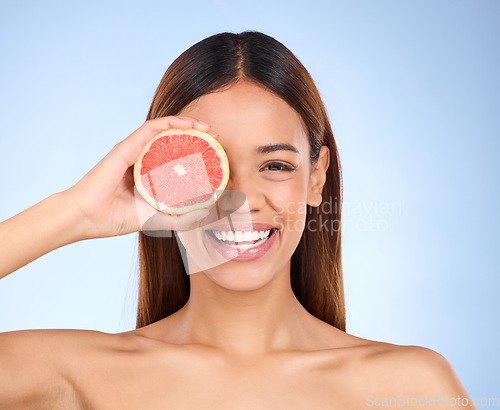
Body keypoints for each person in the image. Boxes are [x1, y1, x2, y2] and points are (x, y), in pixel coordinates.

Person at [0, 30, 474, 409]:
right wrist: (75, 213)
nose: (241, 201)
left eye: (276, 166)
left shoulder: (410, 386)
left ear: (316, 179)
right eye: (212, 165)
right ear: (161, 179)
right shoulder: (77, 373)